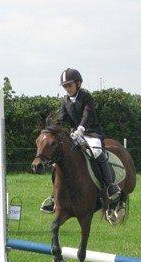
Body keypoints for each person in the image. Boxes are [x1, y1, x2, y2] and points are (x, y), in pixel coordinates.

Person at [40, 67, 121, 213]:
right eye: (65, 86)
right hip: (74, 134)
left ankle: (110, 186)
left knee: (97, 153)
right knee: (58, 160)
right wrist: (55, 128)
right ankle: (54, 197)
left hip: (91, 133)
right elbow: (63, 118)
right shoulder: (65, 100)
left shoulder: (86, 96)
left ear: (78, 84)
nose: (67, 89)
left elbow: (87, 115)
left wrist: (81, 129)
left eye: (69, 85)